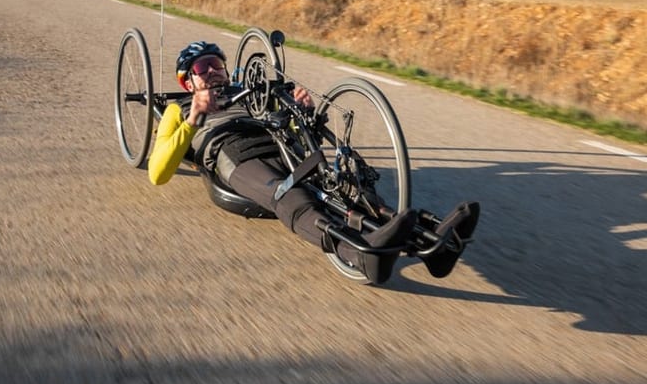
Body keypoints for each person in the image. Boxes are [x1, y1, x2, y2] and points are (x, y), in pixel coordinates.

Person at [148, 40, 479, 284]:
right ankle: (357, 255)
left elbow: (295, 131)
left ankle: (433, 241)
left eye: (216, 65)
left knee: (346, 185)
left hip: (279, 144)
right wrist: (194, 116)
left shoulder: (250, 91)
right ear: (187, 81)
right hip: (235, 154)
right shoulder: (180, 108)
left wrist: (301, 112)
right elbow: (158, 173)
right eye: (201, 69)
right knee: (289, 194)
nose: (212, 72)